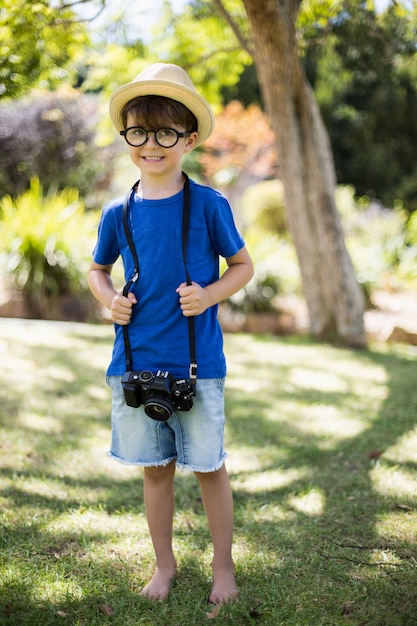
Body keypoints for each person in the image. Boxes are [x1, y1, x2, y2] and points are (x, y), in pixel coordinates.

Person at [88, 62, 253, 605]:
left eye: (165, 132)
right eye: (138, 131)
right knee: (155, 472)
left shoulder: (208, 204)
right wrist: (108, 299)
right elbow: (97, 269)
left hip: (197, 364)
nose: (150, 144)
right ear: (126, 137)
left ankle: (223, 569)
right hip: (134, 362)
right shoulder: (118, 211)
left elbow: (243, 267)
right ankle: (165, 565)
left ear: (189, 138)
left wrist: (209, 294)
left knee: (208, 469)